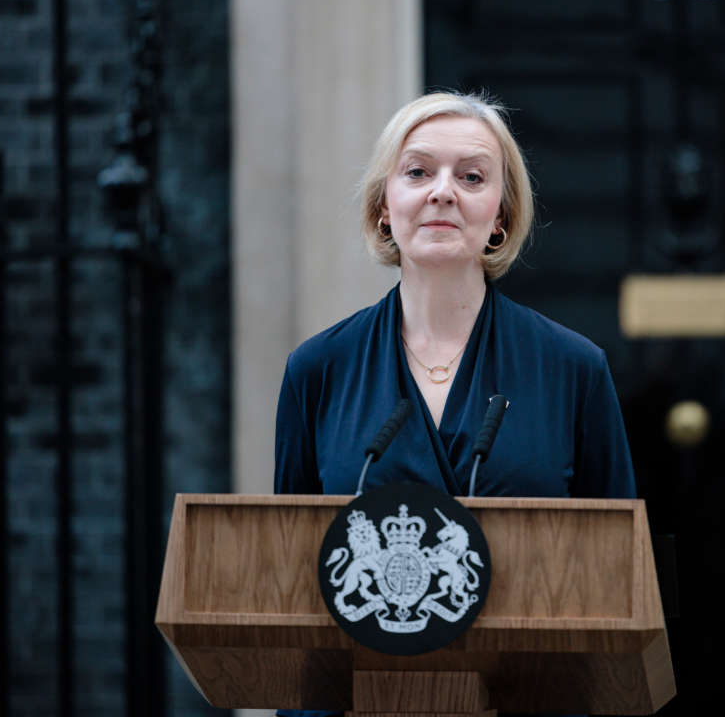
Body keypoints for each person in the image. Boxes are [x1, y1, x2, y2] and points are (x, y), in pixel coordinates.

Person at [273, 92, 637, 715]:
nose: (443, 191)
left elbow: (618, 571)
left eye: (471, 176)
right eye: (417, 172)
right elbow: (291, 579)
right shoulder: (319, 369)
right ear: (385, 205)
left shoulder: (574, 368)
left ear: (500, 215)